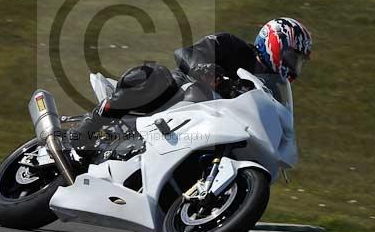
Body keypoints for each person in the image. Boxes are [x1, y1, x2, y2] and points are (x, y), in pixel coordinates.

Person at [67, 17, 313, 152]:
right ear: (273, 42)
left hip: (214, 122)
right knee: (157, 77)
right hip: (183, 92)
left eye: (299, 62)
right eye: (293, 57)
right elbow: (185, 53)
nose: (294, 67)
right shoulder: (232, 45)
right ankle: (92, 123)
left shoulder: (270, 89)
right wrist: (205, 70)